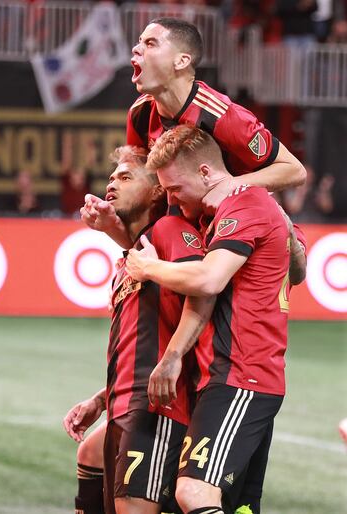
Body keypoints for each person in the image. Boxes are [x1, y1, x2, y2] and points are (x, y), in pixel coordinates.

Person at [124, 124, 305, 514]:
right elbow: (297, 269)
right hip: (226, 376)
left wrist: (149, 269)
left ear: (206, 172)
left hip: (243, 375)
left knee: (193, 493)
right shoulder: (225, 213)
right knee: (236, 506)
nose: (172, 199)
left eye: (175, 189)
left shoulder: (246, 203)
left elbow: (208, 279)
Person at [64, 145, 216, 514]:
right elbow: (137, 340)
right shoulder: (133, 256)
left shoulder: (169, 231)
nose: (111, 184)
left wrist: (173, 358)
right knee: (90, 453)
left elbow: (203, 292)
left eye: (126, 176)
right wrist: (101, 399)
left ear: (157, 190)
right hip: (124, 403)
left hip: (155, 406)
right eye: (111, 177)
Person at [83, 17, 306, 250]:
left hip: (243, 233)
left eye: (150, 43)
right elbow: (145, 195)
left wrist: (230, 185)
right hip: (188, 234)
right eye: (139, 42)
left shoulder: (222, 116)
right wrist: (110, 223)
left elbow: (294, 170)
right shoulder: (140, 113)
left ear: (181, 61)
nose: (136, 48)